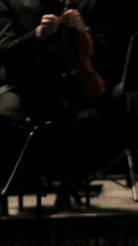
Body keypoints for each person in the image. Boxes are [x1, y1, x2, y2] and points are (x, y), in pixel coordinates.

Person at [0, 0, 107, 209]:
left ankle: (69, 191)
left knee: (97, 115)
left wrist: (83, 29)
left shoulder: (84, 4)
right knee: (2, 113)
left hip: (73, 85)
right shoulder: (11, 3)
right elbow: (5, 51)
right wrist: (37, 34)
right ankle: (5, 189)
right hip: (26, 85)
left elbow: (106, 51)